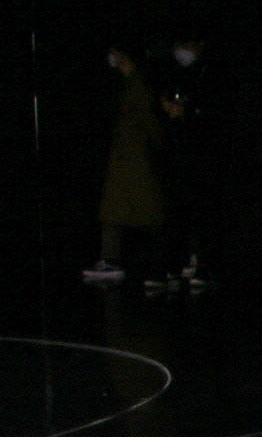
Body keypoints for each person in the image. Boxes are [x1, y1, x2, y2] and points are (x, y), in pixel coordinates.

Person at [84, 45, 166, 286]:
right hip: (127, 158)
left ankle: (160, 265)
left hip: (135, 159)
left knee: (147, 213)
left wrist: (156, 147)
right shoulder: (128, 83)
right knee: (115, 212)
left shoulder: (138, 83)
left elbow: (148, 121)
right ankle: (112, 259)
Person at [154, 29, 220, 289]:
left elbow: (216, 113)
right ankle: (175, 264)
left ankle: (203, 265)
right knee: (175, 211)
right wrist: (166, 108)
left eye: (186, 43)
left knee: (201, 213)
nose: (180, 50)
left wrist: (188, 111)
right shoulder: (174, 73)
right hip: (176, 154)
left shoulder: (210, 73)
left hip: (203, 155)